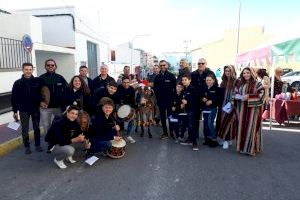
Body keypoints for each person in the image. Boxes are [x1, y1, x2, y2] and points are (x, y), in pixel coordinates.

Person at [11, 63, 43, 154]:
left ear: (32, 70)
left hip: (35, 109)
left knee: (36, 128)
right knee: (25, 129)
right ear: (23, 70)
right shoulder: (18, 83)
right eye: (26, 69)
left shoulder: (37, 81)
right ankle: (27, 146)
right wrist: (14, 111)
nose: (28, 71)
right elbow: (14, 97)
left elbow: (43, 93)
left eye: (30, 69)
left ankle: (37, 145)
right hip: (23, 109)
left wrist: (42, 101)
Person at [234, 67, 265, 156]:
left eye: (248, 73)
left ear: (251, 73)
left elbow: (262, 96)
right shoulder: (239, 83)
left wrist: (249, 97)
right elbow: (234, 93)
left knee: (251, 129)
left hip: (253, 111)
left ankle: (250, 149)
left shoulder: (257, 83)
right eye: (244, 73)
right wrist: (237, 96)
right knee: (241, 128)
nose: (246, 75)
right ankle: (241, 147)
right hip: (241, 109)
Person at [190, 58, 216, 140]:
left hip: (206, 100)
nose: (200, 65)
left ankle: (207, 137)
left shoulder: (210, 73)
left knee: (207, 120)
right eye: (199, 63)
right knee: (195, 118)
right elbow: (191, 86)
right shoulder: (193, 74)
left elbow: (215, 86)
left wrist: (210, 99)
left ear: (206, 64)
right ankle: (195, 135)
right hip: (196, 100)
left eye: (202, 63)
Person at [39, 58, 67, 133]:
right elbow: (35, 93)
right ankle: (50, 143)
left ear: (55, 66)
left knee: (60, 125)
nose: (50, 66)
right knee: (47, 126)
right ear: (45, 67)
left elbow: (67, 90)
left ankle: (59, 141)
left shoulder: (60, 78)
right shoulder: (41, 78)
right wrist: (40, 102)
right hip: (45, 108)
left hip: (58, 107)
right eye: (48, 65)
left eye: (52, 65)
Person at [217, 65, 239, 149]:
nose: (227, 72)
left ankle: (227, 140)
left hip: (232, 105)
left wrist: (232, 103)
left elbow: (237, 93)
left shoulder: (236, 81)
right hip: (223, 105)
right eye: (226, 71)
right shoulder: (223, 81)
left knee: (229, 123)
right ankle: (225, 139)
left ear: (232, 71)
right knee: (223, 122)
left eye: (229, 71)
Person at [154, 60, 176, 139]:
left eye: (164, 65)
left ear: (167, 66)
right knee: (162, 117)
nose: (163, 67)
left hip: (170, 100)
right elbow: (155, 88)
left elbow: (175, 88)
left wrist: (174, 100)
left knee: (170, 116)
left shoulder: (171, 75)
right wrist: (158, 97)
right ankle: (165, 133)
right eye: (161, 65)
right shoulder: (157, 77)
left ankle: (171, 132)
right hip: (161, 101)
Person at [179, 74, 199, 150]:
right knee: (189, 125)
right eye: (183, 80)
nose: (183, 81)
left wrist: (187, 101)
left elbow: (196, 100)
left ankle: (195, 144)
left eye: (185, 80)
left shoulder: (193, 89)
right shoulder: (185, 89)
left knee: (192, 126)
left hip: (193, 110)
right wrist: (183, 104)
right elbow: (184, 99)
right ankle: (190, 139)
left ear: (189, 80)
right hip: (187, 110)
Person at [200, 74, 221, 148]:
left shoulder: (217, 89)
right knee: (205, 124)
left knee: (210, 123)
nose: (208, 81)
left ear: (213, 80)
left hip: (213, 108)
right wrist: (202, 98)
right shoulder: (203, 88)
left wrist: (212, 101)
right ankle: (207, 139)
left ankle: (214, 140)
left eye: (210, 80)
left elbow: (219, 98)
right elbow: (200, 96)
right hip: (205, 108)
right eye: (207, 80)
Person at [116, 76, 137, 143]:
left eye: (127, 82)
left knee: (131, 119)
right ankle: (119, 136)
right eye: (124, 83)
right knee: (119, 121)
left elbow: (132, 100)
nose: (126, 84)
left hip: (128, 105)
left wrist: (134, 109)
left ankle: (128, 135)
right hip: (119, 105)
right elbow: (117, 100)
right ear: (122, 83)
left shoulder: (131, 89)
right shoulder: (118, 88)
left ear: (129, 82)